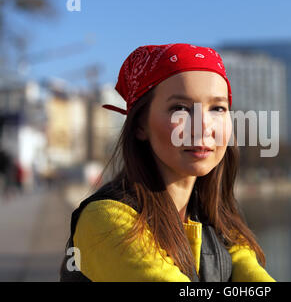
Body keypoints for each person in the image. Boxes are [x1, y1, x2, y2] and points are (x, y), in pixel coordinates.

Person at [59, 43, 275, 282]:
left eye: (218, 108)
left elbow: (248, 271)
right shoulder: (106, 221)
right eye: (180, 108)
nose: (204, 126)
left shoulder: (218, 217)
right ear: (140, 125)